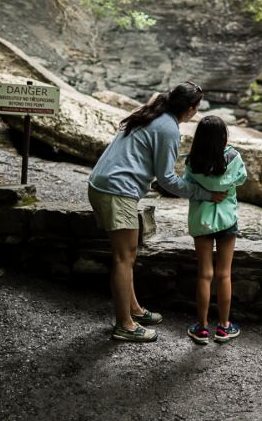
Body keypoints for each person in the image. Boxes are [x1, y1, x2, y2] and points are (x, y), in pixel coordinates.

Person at [88, 81, 226, 343]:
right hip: (117, 191)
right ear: (190, 109)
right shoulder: (168, 128)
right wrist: (204, 193)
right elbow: (166, 179)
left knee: (127, 254)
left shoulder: (153, 113)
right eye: (196, 107)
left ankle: (134, 310)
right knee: (123, 258)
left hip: (106, 185)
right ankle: (124, 326)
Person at [184, 115, 247, 345]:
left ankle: (201, 328)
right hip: (227, 219)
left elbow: (187, 184)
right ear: (223, 137)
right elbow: (241, 178)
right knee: (224, 274)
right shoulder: (232, 157)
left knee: (204, 273)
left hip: (202, 221)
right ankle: (223, 327)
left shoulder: (193, 161)